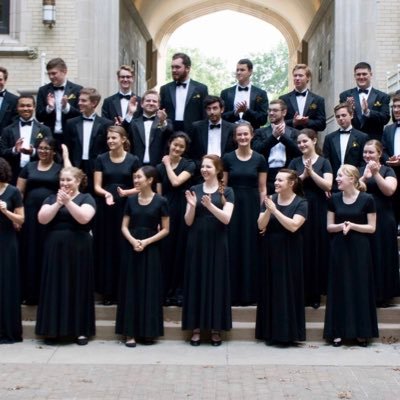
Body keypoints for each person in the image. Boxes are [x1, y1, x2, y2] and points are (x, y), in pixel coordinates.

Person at [36, 167, 96, 345]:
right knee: (55, 285)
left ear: (78, 181)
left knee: (77, 286)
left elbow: (84, 218)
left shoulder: (86, 198)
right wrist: (58, 204)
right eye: (62, 180)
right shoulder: (51, 198)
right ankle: (52, 330)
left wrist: (68, 202)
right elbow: (42, 219)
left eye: (69, 180)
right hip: (55, 249)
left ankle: (80, 331)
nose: (64, 183)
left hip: (78, 249)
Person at [182, 155, 234, 347]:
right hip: (197, 240)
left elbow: (226, 219)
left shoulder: (227, 191)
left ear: (217, 170)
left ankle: (215, 329)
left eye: (208, 167)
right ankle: (195, 329)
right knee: (196, 280)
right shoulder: (194, 190)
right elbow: (188, 221)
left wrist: (210, 205)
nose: (204, 170)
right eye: (202, 166)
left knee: (216, 281)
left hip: (218, 241)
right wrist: (192, 206)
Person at [324, 165, 378, 347]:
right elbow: (329, 226)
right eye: (337, 176)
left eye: (340, 176)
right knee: (339, 288)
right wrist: (341, 226)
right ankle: (337, 332)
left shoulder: (367, 199)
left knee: (360, 287)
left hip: (360, 248)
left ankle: (362, 332)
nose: (337, 179)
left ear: (353, 179)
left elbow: (372, 228)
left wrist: (352, 225)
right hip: (339, 247)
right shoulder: (334, 199)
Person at [116, 166, 169, 347]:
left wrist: (146, 242)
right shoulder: (130, 201)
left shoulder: (161, 201)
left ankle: (148, 331)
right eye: (135, 177)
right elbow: (124, 226)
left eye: (139, 177)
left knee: (149, 288)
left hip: (151, 248)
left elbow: (166, 229)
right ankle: (129, 333)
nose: (136, 180)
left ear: (150, 180)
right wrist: (133, 241)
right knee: (131, 288)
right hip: (131, 247)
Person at [256, 169, 307, 345]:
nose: (276, 183)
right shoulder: (269, 200)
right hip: (270, 248)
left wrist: (275, 210)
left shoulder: (301, 203)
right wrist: (269, 209)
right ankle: (270, 333)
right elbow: (260, 224)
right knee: (271, 288)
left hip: (291, 249)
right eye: (275, 180)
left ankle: (288, 334)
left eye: (280, 180)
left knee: (288, 289)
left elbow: (293, 226)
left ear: (291, 183)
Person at [17, 138, 71, 305]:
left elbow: (71, 175)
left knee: (47, 251)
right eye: (40, 148)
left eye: (47, 148)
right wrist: (18, 215)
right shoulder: (29, 167)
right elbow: (19, 191)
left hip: (51, 214)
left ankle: (47, 294)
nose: (43, 151)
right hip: (30, 215)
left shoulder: (59, 168)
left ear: (53, 151)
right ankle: (30, 293)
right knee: (30, 251)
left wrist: (66, 155)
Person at [93, 125, 140, 305]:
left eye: (114, 138)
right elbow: (97, 185)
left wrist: (127, 193)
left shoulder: (133, 159)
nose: (110, 141)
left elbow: (139, 185)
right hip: (106, 207)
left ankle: (123, 290)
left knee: (123, 245)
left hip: (126, 206)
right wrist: (106, 194)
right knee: (107, 246)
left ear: (123, 139)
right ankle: (107, 291)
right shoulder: (101, 159)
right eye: (108, 138)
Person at [222, 122, 267, 306]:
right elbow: (222, 187)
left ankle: (251, 294)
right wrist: (225, 208)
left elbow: (263, 189)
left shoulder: (259, 159)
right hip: (232, 205)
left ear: (252, 135)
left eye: (245, 134)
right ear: (235, 137)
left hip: (252, 207)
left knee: (250, 247)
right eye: (239, 135)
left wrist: (262, 212)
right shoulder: (227, 158)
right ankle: (232, 294)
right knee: (233, 245)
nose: (242, 138)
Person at [288, 129, 333, 308]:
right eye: (299, 142)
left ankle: (315, 293)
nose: (301, 145)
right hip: (299, 206)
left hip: (318, 207)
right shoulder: (294, 161)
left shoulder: (324, 162)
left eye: (305, 141)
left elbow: (328, 185)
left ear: (314, 141)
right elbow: (289, 185)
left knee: (316, 247)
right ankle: (301, 292)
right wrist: (304, 175)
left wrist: (312, 173)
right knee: (301, 247)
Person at [156, 132, 195, 307]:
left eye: (181, 146)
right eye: (175, 144)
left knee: (181, 249)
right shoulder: (158, 168)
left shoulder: (189, 164)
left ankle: (179, 292)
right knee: (166, 250)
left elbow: (176, 182)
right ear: (169, 144)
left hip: (182, 208)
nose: (177, 148)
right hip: (165, 208)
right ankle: (163, 291)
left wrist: (167, 164)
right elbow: (158, 194)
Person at [359, 140, 399, 307]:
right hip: (363, 218)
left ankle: (384, 295)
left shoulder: (388, 170)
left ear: (379, 153)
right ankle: (367, 293)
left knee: (383, 253)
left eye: (371, 152)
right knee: (366, 255)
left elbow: (389, 191)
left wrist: (376, 174)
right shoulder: (359, 170)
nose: (367, 156)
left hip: (383, 217)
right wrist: (364, 177)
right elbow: (351, 190)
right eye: (365, 152)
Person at [64, 88, 113, 192]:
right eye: (79, 100)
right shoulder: (71, 123)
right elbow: (67, 147)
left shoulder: (106, 124)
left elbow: (107, 148)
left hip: (97, 168)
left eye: (83, 100)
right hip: (76, 167)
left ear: (94, 103)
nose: (79, 103)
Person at [0, 95, 52, 183]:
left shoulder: (45, 129)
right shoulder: (7, 130)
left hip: (37, 174)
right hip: (13, 174)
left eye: (28, 105)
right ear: (17, 108)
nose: (25, 108)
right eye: (22, 106)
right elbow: (1, 152)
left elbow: (52, 152)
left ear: (34, 107)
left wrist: (34, 152)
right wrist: (14, 150)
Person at [252, 99, 301, 194]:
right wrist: (273, 137)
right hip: (266, 177)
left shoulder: (295, 132)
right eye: (269, 110)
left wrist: (283, 136)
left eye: (275, 110)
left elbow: (298, 152)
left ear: (284, 112)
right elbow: (256, 151)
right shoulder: (259, 132)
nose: (271, 113)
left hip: (288, 175)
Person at [0, 157, 24, 343]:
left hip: (7, 241)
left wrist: (6, 212)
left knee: (7, 284)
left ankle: (8, 331)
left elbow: (21, 220)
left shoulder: (13, 191)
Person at [339, 62, 390, 141]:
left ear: (371, 74)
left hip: (374, 142)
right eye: (358, 74)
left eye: (364, 74)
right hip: (352, 141)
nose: (361, 77)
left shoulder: (382, 96)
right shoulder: (345, 96)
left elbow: (385, 118)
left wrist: (368, 112)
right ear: (354, 76)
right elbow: (342, 119)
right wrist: (349, 110)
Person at [188, 95, 235, 181]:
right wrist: (200, 165)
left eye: (215, 108)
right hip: (201, 173)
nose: (212, 112)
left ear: (222, 109)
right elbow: (190, 151)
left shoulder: (232, 128)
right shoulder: (196, 127)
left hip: (225, 172)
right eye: (209, 109)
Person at [35, 58, 82, 142]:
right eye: (49, 74)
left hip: (71, 136)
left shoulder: (77, 89)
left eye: (54, 73)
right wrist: (49, 108)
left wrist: (66, 107)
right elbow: (39, 117)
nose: (51, 77)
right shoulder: (43, 90)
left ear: (64, 71)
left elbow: (80, 115)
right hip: (49, 137)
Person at [323, 103, 368, 189]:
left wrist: (357, 179)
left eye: (343, 115)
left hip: (355, 182)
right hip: (335, 183)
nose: (341, 118)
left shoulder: (362, 137)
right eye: (338, 116)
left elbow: (363, 161)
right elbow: (326, 161)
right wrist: (327, 184)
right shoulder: (329, 138)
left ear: (351, 115)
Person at [160, 52, 208, 132]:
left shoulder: (201, 89)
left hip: (193, 134)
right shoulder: (165, 89)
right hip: (169, 133)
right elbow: (160, 112)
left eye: (177, 67)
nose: (173, 70)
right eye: (172, 67)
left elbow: (205, 114)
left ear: (187, 68)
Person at [123, 89, 173, 166]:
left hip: (158, 167)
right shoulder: (133, 122)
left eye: (154, 101)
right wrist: (130, 113)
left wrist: (162, 121)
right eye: (148, 100)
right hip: (136, 166)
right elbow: (123, 131)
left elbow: (169, 133)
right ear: (142, 104)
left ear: (159, 105)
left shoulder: (165, 122)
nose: (151, 103)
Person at [220, 58, 268, 129]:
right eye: (237, 70)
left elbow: (263, 120)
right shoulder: (225, 93)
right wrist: (235, 112)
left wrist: (247, 111)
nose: (238, 72)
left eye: (242, 70)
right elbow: (221, 117)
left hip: (253, 135)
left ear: (250, 72)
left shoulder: (261, 93)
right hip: (230, 134)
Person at [279, 64, 326, 132]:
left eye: (300, 75)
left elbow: (322, 125)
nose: (297, 78)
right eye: (295, 75)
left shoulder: (318, 100)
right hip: (288, 139)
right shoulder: (283, 99)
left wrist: (307, 122)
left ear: (308, 78)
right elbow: (278, 122)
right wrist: (293, 122)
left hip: (309, 139)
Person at [382, 94, 400, 223]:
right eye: (394, 107)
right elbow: (383, 149)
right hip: (392, 173)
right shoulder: (388, 129)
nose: (396, 110)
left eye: (399, 107)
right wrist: (390, 158)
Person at [0, 66, 18, 137]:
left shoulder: (14, 100)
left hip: (5, 142)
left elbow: (15, 123)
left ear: (5, 80)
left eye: (0, 79)